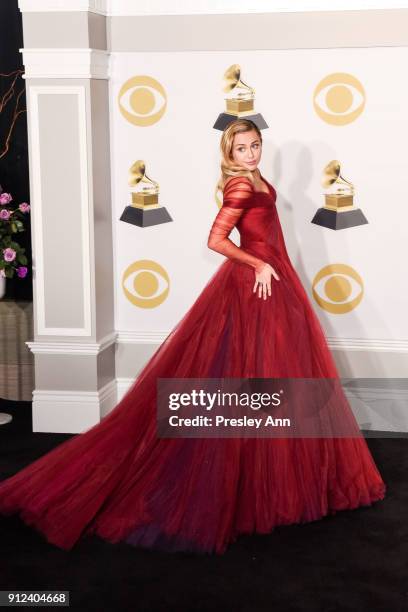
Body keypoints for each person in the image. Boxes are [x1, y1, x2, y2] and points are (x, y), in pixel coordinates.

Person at [0, 119, 386, 555]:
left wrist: (268, 265)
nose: (252, 154)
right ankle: (242, 480)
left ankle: (269, 475)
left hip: (274, 280)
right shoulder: (240, 186)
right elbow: (217, 239)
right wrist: (257, 264)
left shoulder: (257, 177)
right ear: (230, 153)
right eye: (242, 149)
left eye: (256, 145)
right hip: (255, 283)